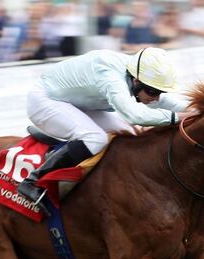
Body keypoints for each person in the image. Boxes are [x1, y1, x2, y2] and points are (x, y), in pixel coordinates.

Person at [17, 46, 193, 213]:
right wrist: (176, 118)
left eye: (159, 92)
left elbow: (163, 102)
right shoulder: (111, 76)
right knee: (96, 138)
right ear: (137, 81)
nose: (156, 98)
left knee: (130, 134)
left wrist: (197, 110)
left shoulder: (136, 74)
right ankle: (33, 181)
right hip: (46, 99)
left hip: (77, 103)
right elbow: (135, 116)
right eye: (153, 92)